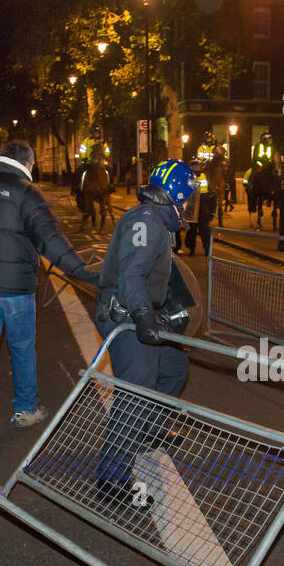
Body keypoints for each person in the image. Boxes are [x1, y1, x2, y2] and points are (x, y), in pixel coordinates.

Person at [0, 140, 97, 446]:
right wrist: (84, 272)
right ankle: (25, 409)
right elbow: (51, 240)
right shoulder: (26, 193)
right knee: (21, 348)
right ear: (30, 164)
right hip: (16, 288)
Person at [93, 159, 197, 507]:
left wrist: (160, 312)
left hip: (138, 311)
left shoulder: (155, 221)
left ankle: (146, 430)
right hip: (125, 315)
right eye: (187, 198)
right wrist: (142, 316)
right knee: (134, 395)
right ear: (177, 196)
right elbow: (132, 276)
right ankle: (112, 480)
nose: (188, 206)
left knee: (172, 367)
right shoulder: (146, 221)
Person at [74, 123, 111, 204]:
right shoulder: (86, 141)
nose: (96, 134)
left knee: (109, 171)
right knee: (79, 171)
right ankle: (77, 187)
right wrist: (84, 158)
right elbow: (82, 151)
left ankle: (111, 186)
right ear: (92, 133)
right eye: (95, 133)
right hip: (89, 162)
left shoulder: (102, 142)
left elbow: (107, 151)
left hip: (101, 162)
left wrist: (105, 156)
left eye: (98, 133)